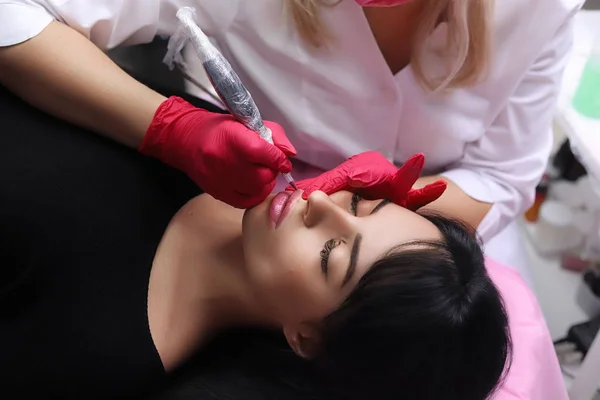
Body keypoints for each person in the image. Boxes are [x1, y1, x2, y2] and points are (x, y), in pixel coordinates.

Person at [0, 84, 511, 400]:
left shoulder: (93, 353)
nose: (323, 206)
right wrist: (166, 125)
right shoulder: (228, 151)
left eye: (333, 255)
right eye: (361, 205)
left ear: (306, 338)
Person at [0, 0, 585, 250]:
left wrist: (397, 212)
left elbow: (504, 178)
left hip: (424, 238)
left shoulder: (537, 10)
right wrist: (169, 127)